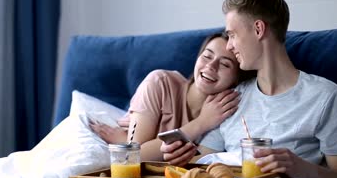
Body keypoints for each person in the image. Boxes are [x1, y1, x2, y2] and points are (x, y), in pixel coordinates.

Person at [161, 0, 337, 178]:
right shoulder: (231, 98)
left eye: (233, 35)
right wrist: (180, 157)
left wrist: (303, 169)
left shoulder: (324, 97)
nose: (229, 46)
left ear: (258, 29)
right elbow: (202, 164)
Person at [90, 33, 255, 161]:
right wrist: (201, 123)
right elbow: (133, 156)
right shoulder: (159, 82)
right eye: (207, 56)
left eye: (225, 64)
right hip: (112, 146)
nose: (211, 66)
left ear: (237, 79)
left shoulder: (226, 113)